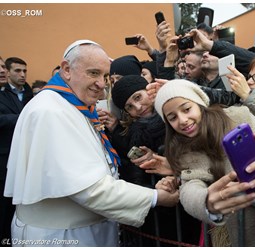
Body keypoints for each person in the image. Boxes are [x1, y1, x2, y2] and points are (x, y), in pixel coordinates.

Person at [3, 40, 178, 247]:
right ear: (67, 69)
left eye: (104, 76)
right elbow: (90, 189)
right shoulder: (50, 111)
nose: (102, 84)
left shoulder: (70, 104)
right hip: (61, 237)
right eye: (93, 73)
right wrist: (156, 197)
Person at [152, 79, 255, 247]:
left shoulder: (238, 117)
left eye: (187, 109)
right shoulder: (181, 149)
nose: (182, 120)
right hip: (236, 235)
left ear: (200, 103)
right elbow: (190, 186)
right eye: (172, 118)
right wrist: (206, 201)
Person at [106, 75, 200, 246]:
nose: (138, 107)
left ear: (148, 90)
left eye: (138, 97)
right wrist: (155, 191)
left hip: (195, 197)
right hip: (167, 210)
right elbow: (137, 176)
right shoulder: (137, 132)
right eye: (130, 107)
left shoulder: (179, 115)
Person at [0, 56, 33, 247]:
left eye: (24, 71)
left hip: (26, 157)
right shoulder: (2, 94)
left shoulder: (30, 94)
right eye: (17, 71)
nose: (22, 75)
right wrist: (23, 118)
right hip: (4, 159)